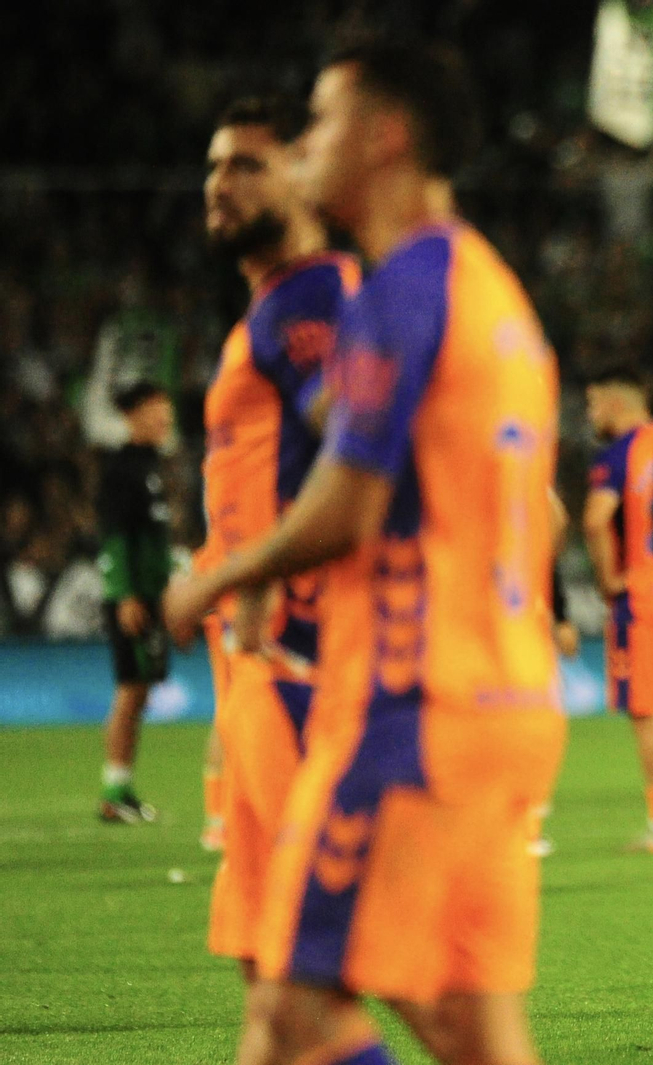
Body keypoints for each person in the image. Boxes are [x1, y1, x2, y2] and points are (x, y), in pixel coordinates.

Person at [165, 38, 562, 1065]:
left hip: (412, 703)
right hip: (509, 698)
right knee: (471, 1030)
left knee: (298, 1010)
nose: (308, 145)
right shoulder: (492, 293)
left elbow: (346, 501)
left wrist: (226, 575)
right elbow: (543, 513)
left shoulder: (393, 290)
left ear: (384, 136)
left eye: (322, 122)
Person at [194, 92, 359, 1065]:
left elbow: (358, 443)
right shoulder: (272, 307)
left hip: (304, 659)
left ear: (302, 173)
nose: (221, 184)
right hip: (257, 665)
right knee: (269, 975)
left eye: (248, 164)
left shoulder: (310, 301)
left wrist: (256, 571)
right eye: (215, 165)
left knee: (314, 974)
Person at [584, 363, 653, 854]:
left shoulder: (620, 452)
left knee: (648, 711)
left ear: (614, 402)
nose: (590, 414)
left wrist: (610, 579)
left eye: (592, 403)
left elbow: (595, 519)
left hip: (642, 594)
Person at [96, 380, 175, 823]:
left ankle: (122, 788)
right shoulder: (121, 469)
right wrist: (125, 594)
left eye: (165, 407)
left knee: (139, 690)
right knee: (130, 689)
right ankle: (112, 791)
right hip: (131, 597)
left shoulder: (150, 467)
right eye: (154, 408)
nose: (164, 416)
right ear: (132, 415)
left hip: (150, 594)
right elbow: (115, 536)